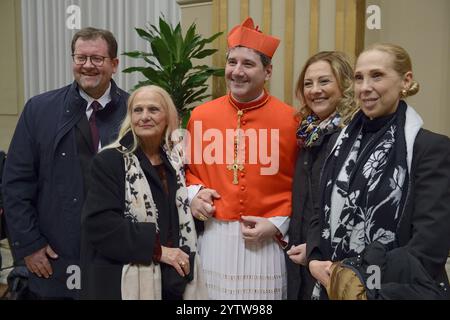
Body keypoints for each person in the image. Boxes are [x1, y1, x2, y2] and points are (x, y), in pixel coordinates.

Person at [308, 43, 450, 299]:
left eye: (377, 76)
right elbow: (319, 212)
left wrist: (356, 274)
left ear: (405, 81)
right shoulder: (338, 143)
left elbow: (430, 246)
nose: (364, 88)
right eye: (359, 77)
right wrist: (315, 258)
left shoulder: (430, 148)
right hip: (332, 287)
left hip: (394, 290)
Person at [2, 27, 128, 299]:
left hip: (117, 256)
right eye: (81, 58)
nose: (88, 66)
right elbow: (16, 184)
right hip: (54, 256)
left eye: (97, 59)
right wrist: (30, 246)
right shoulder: (38, 109)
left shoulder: (136, 112)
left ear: (114, 64)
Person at [186, 17, 298, 300]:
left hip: (268, 241)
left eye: (248, 64)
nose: (237, 72)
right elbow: (187, 170)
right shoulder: (201, 116)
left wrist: (277, 224)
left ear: (268, 71)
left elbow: (306, 184)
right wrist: (194, 195)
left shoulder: (292, 120)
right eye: (232, 62)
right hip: (214, 239)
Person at [80, 85, 207, 300]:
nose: (144, 117)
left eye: (153, 110)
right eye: (138, 110)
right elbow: (99, 224)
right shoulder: (110, 160)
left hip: (171, 280)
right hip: (122, 281)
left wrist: (198, 203)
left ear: (168, 116)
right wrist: (159, 251)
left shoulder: (175, 162)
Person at [285, 51, 358, 300]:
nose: (315, 90)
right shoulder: (308, 133)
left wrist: (316, 249)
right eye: (308, 83)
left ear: (345, 84)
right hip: (302, 253)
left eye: (324, 81)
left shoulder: (352, 136)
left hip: (333, 260)